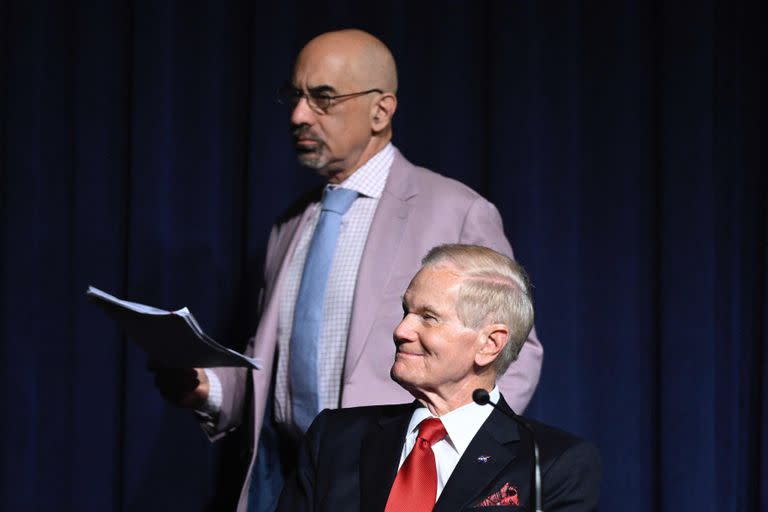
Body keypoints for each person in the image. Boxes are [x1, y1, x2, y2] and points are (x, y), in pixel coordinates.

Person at [152, 29, 543, 512]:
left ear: (381, 110)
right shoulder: (291, 225)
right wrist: (206, 388)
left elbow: (515, 357)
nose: (298, 116)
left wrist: (455, 465)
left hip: (394, 480)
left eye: (323, 99)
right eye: (295, 97)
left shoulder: (456, 211)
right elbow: (269, 372)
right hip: (283, 476)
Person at [277, 244, 601, 512]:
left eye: (428, 318)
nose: (401, 331)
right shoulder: (334, 438)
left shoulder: (550, 464)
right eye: (406, 311)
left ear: (489, 345)